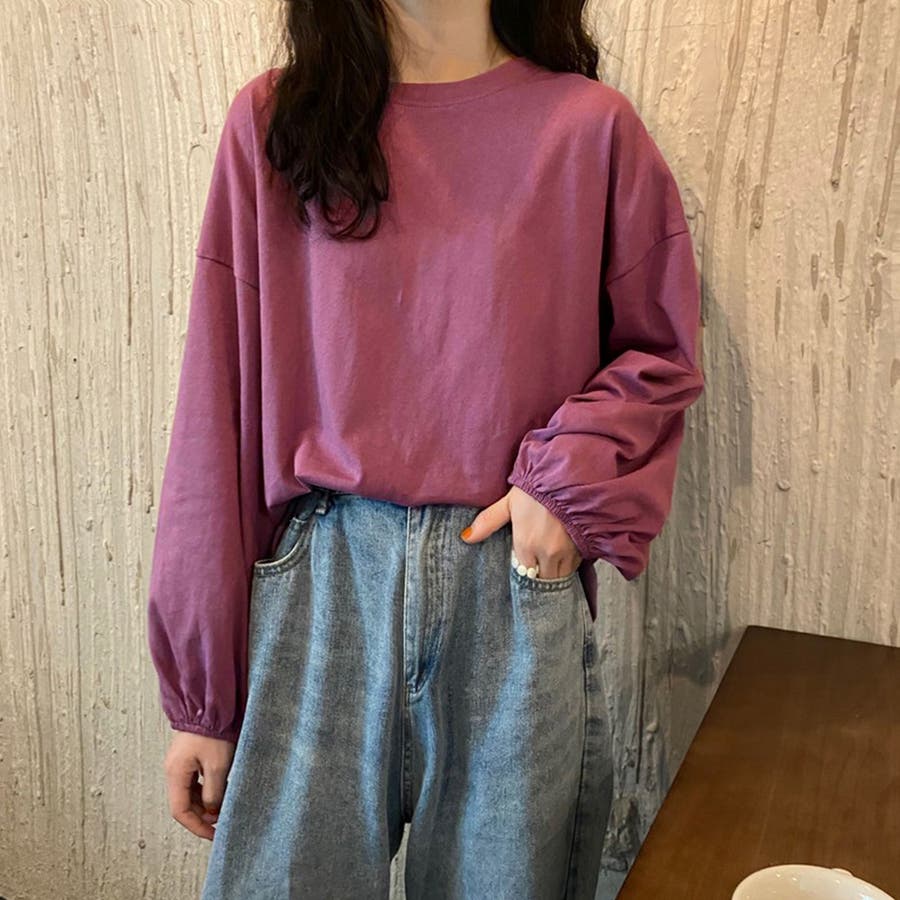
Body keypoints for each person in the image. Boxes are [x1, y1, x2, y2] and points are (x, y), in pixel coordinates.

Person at [146, 1, 705, 897]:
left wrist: (562, 492)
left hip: (511, 595)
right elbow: (220, 407)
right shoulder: (279, 125)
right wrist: (201, 697)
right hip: (323, 589)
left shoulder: (588, 131)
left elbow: (661, 354)